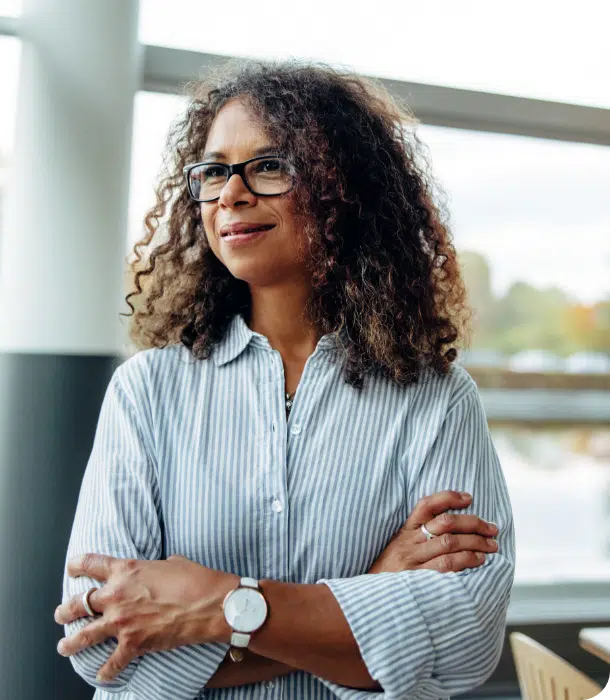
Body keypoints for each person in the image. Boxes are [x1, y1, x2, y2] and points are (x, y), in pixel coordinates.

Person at [54, 61, 515, 700]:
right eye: (214, 172)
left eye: (269, 167)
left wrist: (219, 608)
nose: (232, 195)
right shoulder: (147, 391)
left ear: (344, 188)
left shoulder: (435, 396)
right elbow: (107, 648)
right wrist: (370, 598)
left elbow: (465, 641)